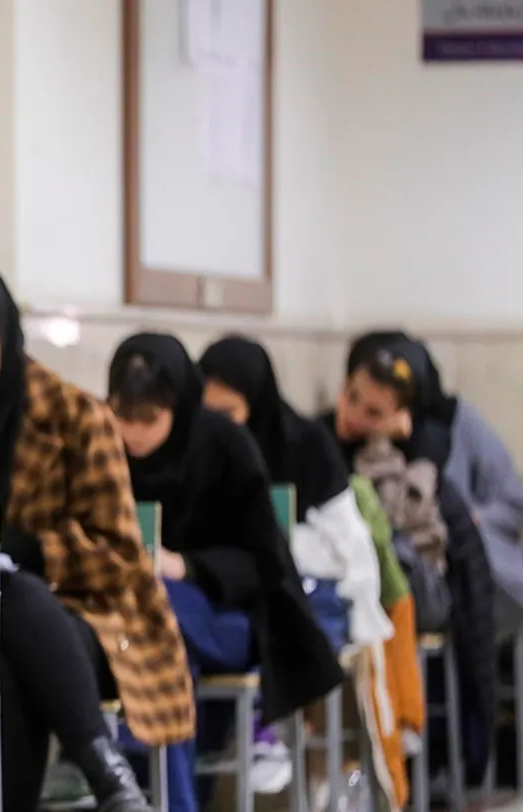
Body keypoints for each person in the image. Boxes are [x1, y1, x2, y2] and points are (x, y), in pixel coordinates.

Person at [0, 258, 194, 812]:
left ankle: (98, 781)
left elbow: (123, 556)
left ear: (5, 330)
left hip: (80, 627)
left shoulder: (77, 415)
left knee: (17, 622)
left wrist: (32, 553)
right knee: (9, 612)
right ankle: (110, 779)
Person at [107, 331, 344, 812]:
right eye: (122, 417)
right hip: (142, 630)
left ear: (178, 407)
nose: (134, 434)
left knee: (157, 613)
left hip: (235, 619)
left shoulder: (224, 446)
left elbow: (264, 562)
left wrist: (185, 566)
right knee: (161, 647)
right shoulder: (101, 447)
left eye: (149, 419)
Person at [198, 335, 401, 805]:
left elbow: (348, 548)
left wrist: (284, 549)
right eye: (208, 413)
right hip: (241, 595)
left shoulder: (304, 447)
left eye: (228, 413)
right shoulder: (203, 452)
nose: (218, 425)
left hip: (318, 595)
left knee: (283, 607)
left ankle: (267, 727)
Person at [318, 335, 498, 788]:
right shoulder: (315, 437)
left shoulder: (421, 457)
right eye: (351, 397)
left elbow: (410, 534)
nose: (353, 415)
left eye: (373, 412)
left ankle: (397, 741)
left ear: (400, 418)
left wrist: (380, 451)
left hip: (413, 591)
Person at [342, 330, 523, 640]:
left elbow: (512, 499)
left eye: (375, 408)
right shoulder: (345, 438)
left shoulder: (453, 424)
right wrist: (377, 440)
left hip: (484, 573)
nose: (362, 414)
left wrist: (474, 520)